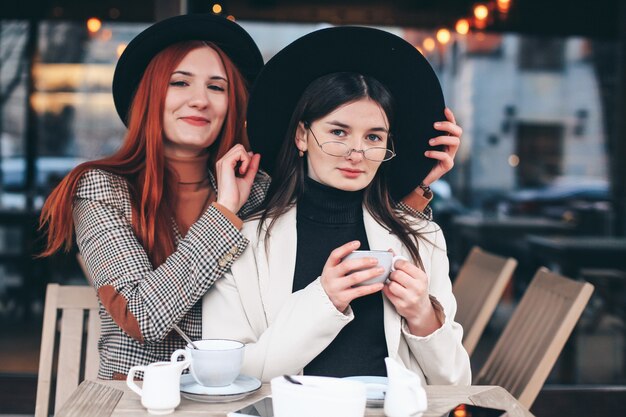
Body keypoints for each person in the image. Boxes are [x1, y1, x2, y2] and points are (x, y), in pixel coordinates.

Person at [39, 15, 461, 380]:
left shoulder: (254, 184)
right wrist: (224, 211)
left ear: (232, 102)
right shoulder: (104, 187)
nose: (200, 100)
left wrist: (418, 189)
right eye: (180, 82)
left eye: (217, 87)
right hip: (151, 389)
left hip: (240, 393)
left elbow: (337, 214)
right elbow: (144, 316)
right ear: (151, 94)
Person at [202, 26, 471, 385]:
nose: (356, 153)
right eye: (338, 132)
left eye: (373, 137)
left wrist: (423, 315)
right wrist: (324, 300)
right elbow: (233, 374)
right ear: (301, 136)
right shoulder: (244, 242)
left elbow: (456, 382)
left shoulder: (423, 237)